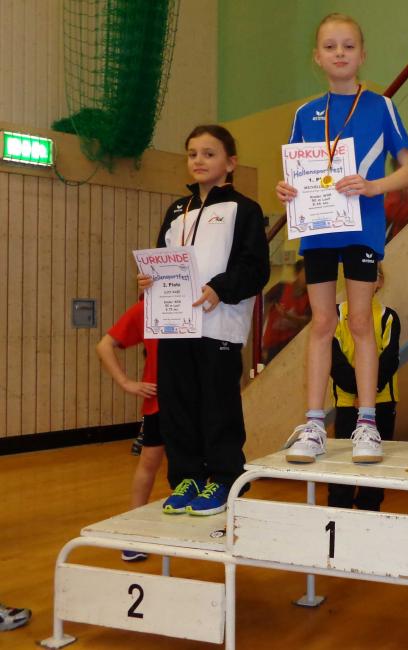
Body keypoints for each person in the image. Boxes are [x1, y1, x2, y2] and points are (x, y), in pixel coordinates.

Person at [276, 13, 408, 464]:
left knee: (359, 322)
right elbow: (295, 174)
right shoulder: (304, 114)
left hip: (361, 228)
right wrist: (286, 191)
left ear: (362, 54)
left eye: (348, 46)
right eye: (330, 46)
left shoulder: (381, 106)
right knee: (321, 323)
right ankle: (314, 424)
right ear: (317, 57)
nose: (340, 53)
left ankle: (366, 423)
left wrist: (373, 186)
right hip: (318, 231)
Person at [139, 124, 269, 516]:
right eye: (192, 153)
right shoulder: (177, 211)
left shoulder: (245, 210)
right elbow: (162, 260)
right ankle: (188, 478)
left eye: (209, 154)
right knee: (177, 406)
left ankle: (224, 479)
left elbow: (255, 268)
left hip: (219, 326)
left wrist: (218, 288)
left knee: (218, 405)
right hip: (175, 326)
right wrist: (149, 280)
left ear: (230, 163)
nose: (199, 160)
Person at [96, 298, 165, 560]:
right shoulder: (147, 308)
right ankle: (133, 533)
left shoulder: (200, 303)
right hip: (159, 401)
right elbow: (104, 345)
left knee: (197, 467)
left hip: (195, 402)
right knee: (149, 462)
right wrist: (126, 382)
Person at [328, 264, 399, 510]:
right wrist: (358, 392)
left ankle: (370, 515)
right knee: (342, 472)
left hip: (382, 404)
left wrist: (368, 393)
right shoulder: (335, 314)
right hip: (347, 404)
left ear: (380, 282)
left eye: (371, 276)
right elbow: (334, 360)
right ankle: (339, 516)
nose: (363, 280)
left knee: (374, 473)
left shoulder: (388, 317)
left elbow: (390, 360)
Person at [261, 259, 311, 364]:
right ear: (297, 273)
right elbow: (263, 306)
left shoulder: (310, 297)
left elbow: (306, 321)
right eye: (306, 273)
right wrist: (261, 344)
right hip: (272, 345)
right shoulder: (281, 288)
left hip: (292, 346)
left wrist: (287, 316)